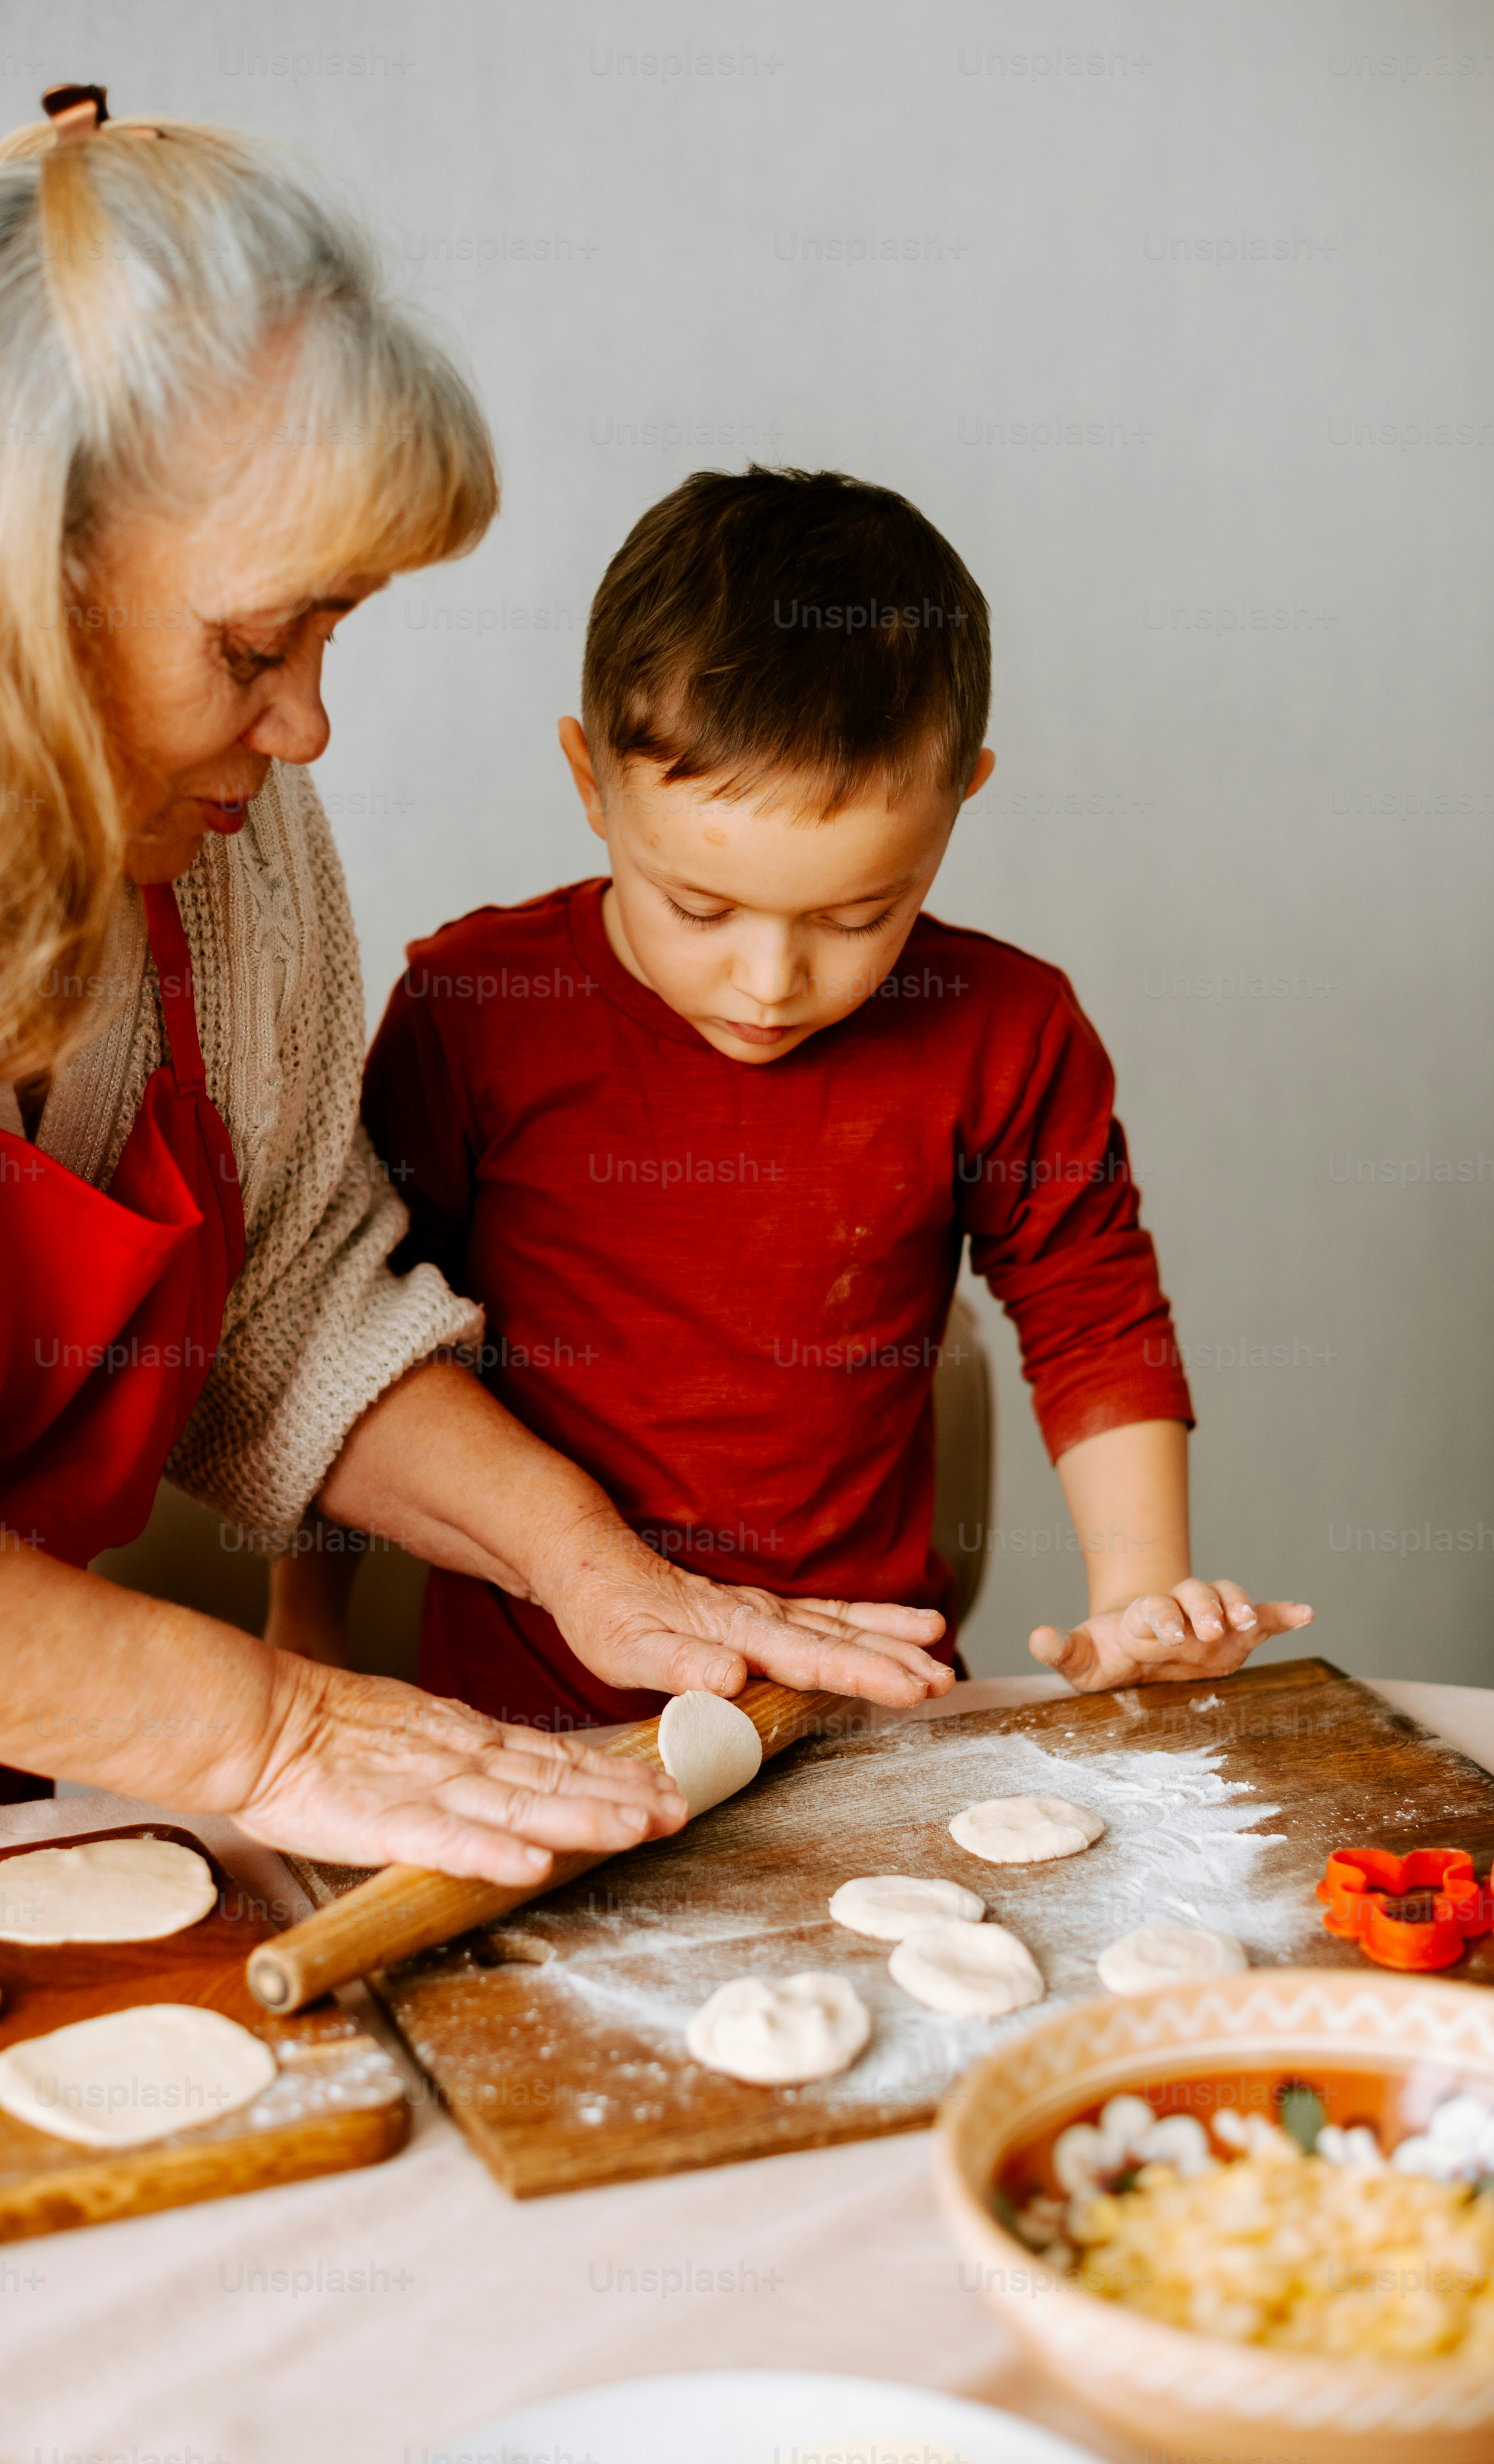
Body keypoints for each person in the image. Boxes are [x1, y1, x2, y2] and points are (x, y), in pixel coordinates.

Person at [0, 103, 956, 1871]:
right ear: (12, 570)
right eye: (254, 646)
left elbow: (283, 1305)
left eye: (336, 634)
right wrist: (275, 1725)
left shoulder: (226, 837)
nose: (307, 724)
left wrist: (586, 1565)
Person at [359, 468, 1314, 1732]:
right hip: (530, 1720)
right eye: (698, 907)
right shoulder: (474, 1010)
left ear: (960, 800)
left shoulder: (1005, 1031)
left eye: (860, 915)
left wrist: (1140, 1591)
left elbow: (1092, 1311)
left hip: (858, 1711)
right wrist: (312, 1641)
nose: (770, 981)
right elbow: (355, 1345)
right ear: (590, 783)